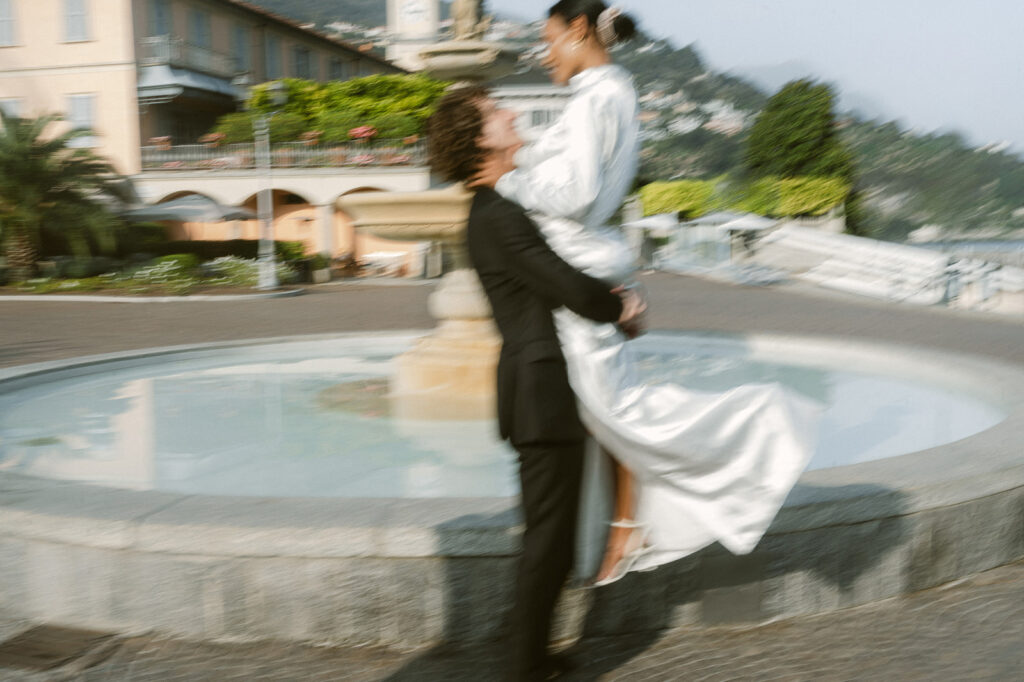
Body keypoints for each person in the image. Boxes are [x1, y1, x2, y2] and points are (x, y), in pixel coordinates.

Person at [471, 0, 822, 586]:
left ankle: (751, 435)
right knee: (599, 410)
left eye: (550, 39)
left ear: (579, 32)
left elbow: (575, 193)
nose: (545, 52)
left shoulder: (592, 98)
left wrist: (506, 177)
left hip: (576, 267)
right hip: (587, 263)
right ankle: (619, 526)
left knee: (615, 409)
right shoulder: (610, 91)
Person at [426, 87, 646, 680]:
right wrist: (619, 305)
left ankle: (536, 656)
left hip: (536, 391)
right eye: (498, 114)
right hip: (540, 394)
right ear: (479, 139)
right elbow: (564, 284)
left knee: (550, 534)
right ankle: (525, 667)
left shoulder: (494, 210)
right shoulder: (496, 214)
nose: (513, 116)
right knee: (547, 540)